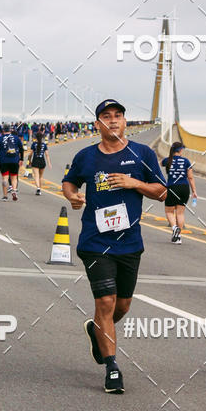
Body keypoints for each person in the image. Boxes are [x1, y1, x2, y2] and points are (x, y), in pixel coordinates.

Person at [62, 99, 166, 394]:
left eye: (118, 116)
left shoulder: (142, 153)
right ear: (98, 124)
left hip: (130, 243)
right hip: (95, 242)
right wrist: (73, 196)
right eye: (106, 117)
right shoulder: (86, 156)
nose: (112, 121)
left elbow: (161, 191)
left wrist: (135, 184)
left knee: (122, 306)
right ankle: (112, 368)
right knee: (105, 303)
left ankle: (96, 331)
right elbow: (69, 183)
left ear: (124, 121)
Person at [161, 141, 197, 243]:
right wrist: (194, 191)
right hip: (184, 188)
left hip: (172, 187)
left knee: (169, 211)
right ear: (180, 150)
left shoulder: (167, 160)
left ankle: (174, 228)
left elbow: (157, 166)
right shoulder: (186, 161)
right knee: (180, 213)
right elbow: (190, 177)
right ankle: (178, 237)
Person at [0, 126, 24, 201]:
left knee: (5, 178)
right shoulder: (16, 138)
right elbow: (21, 149)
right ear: (10, 130)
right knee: (14, 177)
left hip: (3, 161)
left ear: (3, 130)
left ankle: (5, 196)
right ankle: (14, 190)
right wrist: (21, 159)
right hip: (14, 160)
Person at [29, 130, 51, 195]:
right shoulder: (44, 145)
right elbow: (47, 155)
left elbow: (30, 154)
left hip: (35, 161)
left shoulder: (34, 144)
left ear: (36, 137)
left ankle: (38, 188)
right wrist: (49, 163)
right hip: (42, 161)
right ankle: (40, 190)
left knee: (36, 176)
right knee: (40, 177)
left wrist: (29, 161)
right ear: (42, 137)